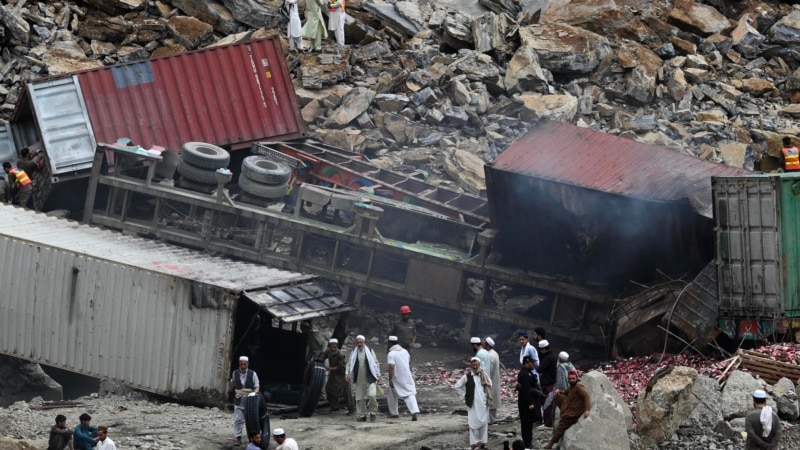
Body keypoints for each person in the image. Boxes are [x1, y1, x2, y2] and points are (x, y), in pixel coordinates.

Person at [544, 369, 590, 449]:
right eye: (570, 379)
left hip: (574, 413)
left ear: (576, 378)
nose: (571, 380)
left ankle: (551, 443)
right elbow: (565, 392)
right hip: (570, 407)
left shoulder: (578, 386)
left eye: (573, 378)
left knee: (561, 427)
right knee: (558, 396)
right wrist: (559, 391)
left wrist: (587, 410)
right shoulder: (571, 386)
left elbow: (586, 396)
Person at [455, 357, 493, 450]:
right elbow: (457, 386)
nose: (475, 366)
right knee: (472, 423)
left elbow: (489, 384)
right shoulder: (466, 377)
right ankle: (474, 443)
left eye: (477, 365)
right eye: (473, 365)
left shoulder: (483, 375)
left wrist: (486, 396)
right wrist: (464, 395)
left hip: (483, 403)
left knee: (484, 422)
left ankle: (483, 442)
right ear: (471, 365)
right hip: (473, 404)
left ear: (479, 365)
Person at [346, 334, 380, 422]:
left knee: (372, 395)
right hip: (359, 377)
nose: (359, 344)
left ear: (364, 342)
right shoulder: (354, 351)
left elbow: (375, 362)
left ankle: (373, 413)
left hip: (370, 376)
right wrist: (347, 373)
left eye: (361, 342)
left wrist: (378, 374)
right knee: (360, 397)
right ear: (356, 343)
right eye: (358, 342)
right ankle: (362, 415)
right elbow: (349, 363)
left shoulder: (369, 350)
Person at [228, 355, 260, 446]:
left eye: (244, 364)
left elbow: (257, 385)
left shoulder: (252, 373)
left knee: (251, 421)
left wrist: (255, 394)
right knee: (238, 419)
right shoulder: (235, 373)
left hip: (250, 401)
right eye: (241, 364)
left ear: (247, 364)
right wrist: (229, 390)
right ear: (239, 364)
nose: (243, 366)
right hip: (238, 399)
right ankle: (238, 438)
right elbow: (233, 382)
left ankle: (252, 439)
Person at [386, 335, 420, 420]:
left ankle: (394, 413)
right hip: (407, 375)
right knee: (409, 394)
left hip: (397, 377)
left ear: (390, 343)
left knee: (391, 394)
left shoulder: (391, 354)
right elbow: (407, 362)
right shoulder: (405, 351)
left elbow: (391, 367)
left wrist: (390, 379)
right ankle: (414, 411)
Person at [320, 338, 355, 414]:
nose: (333, 349)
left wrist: (329, 368)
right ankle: (335, 406)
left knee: (346, 393)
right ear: (329, 347)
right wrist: (319, 360)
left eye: (334, 347)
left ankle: (351, 409)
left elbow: (340, 367)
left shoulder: (341, 355)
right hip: (333, 375)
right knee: (328, 389)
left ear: (337, 347)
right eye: (331, 347)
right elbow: (322, 357)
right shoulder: (328, 351)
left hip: (342, 375)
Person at [544, 351, 574, 424]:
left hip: (561, 392)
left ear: (559, 358)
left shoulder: (560, 368)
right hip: (570, 390)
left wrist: (556, 392)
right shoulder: (571, 366)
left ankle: (554, 424)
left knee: (554, 408)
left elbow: (559, 383)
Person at [518, 331, 541, 424]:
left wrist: (533, 370)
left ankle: (538, 418)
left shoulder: (530, 348)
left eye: (523, 339)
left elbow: (536, 362)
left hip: (532, 373)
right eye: (520, 340)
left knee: (534, 396)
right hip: (527, 372)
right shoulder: (523, 349)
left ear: (527, 339)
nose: (521, 341)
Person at [517, 355, 537, 450]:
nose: (533, 364)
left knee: (529, 423)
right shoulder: (524, 374)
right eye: (532, 362)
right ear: (527, 363)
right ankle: (527, 443)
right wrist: (530, 403)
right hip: (525, 403)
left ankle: (528, 441)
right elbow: (526, 390)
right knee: (526, 422)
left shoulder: (528, 372)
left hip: (528, 400)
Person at [537, 339, 558, 427]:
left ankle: (548, 423)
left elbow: (540, 369)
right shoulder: (555, 355)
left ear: (544, 349)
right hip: (554, 382)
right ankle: (552, 421)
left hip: (548, 383)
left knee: (547, 404)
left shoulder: (547, 358)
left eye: (541, 350)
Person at [483, 337, 501, 423]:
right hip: (494, 381)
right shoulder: (494, 353)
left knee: (490, 402)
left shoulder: (489, 356)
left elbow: (488, 372)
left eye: (484, 343)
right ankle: (491, 420)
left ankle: (490, 421)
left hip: (490, 382)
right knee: (492, 402)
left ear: (488, 345)